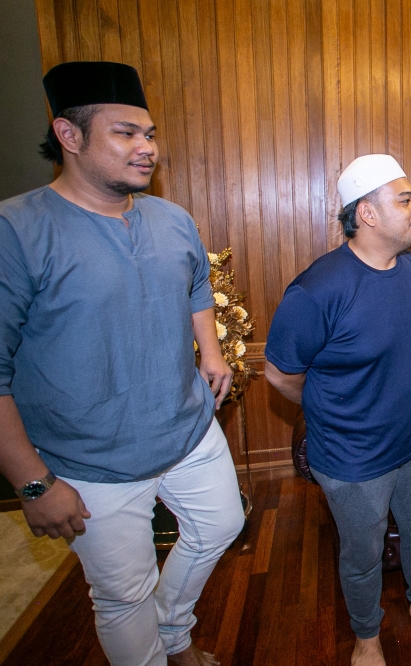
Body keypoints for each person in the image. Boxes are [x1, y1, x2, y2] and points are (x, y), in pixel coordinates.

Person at [0, 61, 245, 666]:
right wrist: (33, 482)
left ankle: (174, 635)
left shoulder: (172, 218)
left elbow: (194, 286)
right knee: (123, 596)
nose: (147, 149)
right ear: (69, 135)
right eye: (126, 133)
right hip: (90, 461)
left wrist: (210, 351)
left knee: (221, 525)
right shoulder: (17, 230)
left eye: (150, 133)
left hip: (186, 429)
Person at [264, 154, 411, 666]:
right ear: (368, 214)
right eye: (406, 199)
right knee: (362, 554)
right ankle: (367, 636)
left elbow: (407, 352)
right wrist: (332, 414)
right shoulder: (317, 290)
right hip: (351, 458)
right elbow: (280, 374)